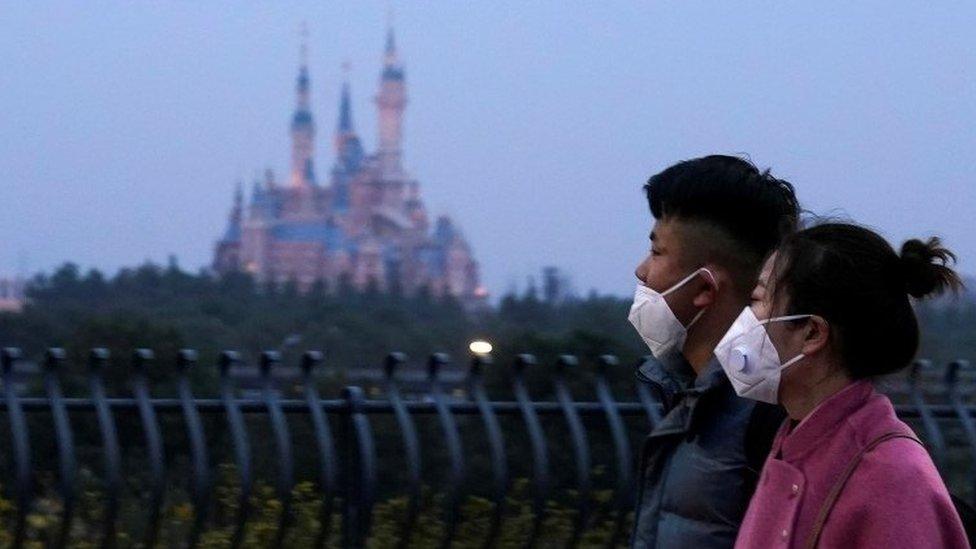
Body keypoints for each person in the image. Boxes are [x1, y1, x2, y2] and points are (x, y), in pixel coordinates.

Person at [719, 223, 968, 548]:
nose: (745, 318)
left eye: (759, 299)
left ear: (812, 333)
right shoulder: (794, 439)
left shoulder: (893, 475)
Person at [629, 155, 800, 547]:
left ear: (705, 288)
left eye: (656, 253)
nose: (641, 271)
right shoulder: (691, 398)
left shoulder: (776, 416)